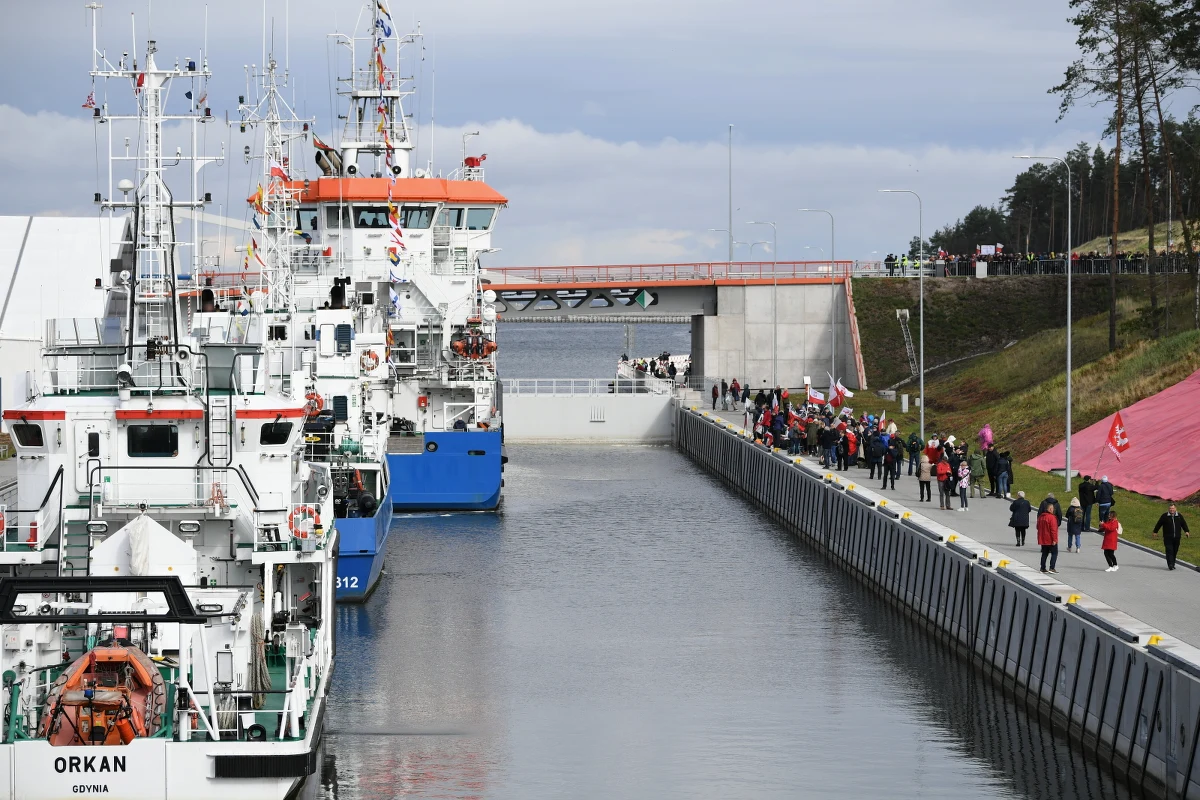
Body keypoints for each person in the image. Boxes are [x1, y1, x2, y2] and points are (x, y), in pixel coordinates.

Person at [1152, 503, 1191, 571]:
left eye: (1173, 508)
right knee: (1169, 550)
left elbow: (1183, 524)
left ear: (1175, 509)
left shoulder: (1179, 516)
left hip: (1177, 537)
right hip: (1167, 537)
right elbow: (1159, 524)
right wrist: (1155, 531)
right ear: (1168, 509)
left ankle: (1173, 564)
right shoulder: (1165, 516)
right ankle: (1170, 564)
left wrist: (1186, 531)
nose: (1172, 510)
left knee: (1175, 551)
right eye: (1170, 508)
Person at [1037, 501, 1060, 574]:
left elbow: (1037, 527)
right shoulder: (1052, 518)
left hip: (1043, 538)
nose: (1053, 510)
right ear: (1050, 509)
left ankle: (1042, 568)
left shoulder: (1041, 517)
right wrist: (1054, 539)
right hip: (1050, 539)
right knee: (1054, 553)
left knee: (1044, 553)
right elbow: (1053, 530)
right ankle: (1052, 567)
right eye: (1052, 508)